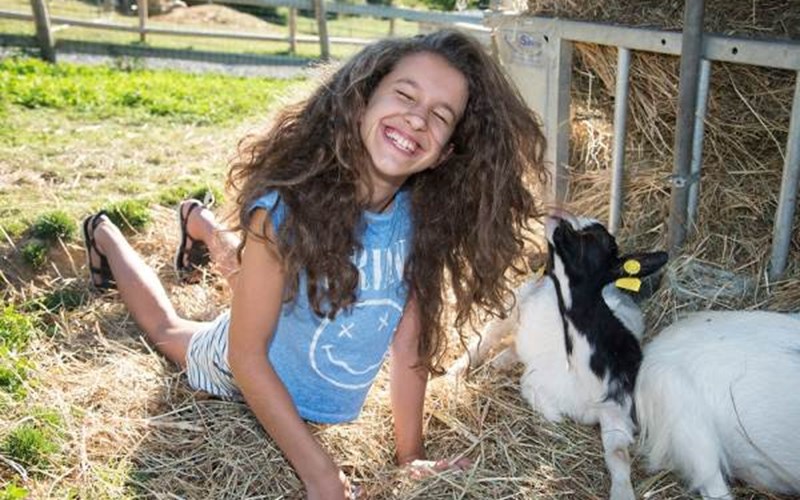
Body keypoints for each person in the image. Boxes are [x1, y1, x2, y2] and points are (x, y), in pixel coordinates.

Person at [81, 29, 547, 499]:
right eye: (405, 95)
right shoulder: (283, 212)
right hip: (234, 358)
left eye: (440, 116)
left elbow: (409, 345)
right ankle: (105, 234)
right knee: (169, 329)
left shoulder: (419, 221)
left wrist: (411, 457)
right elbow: (246, 357)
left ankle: (198, 222)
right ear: (362, 100)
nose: (416, 119)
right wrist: (321, 476)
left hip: (296, 309)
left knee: (261, 277)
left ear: (446, 152)